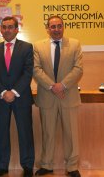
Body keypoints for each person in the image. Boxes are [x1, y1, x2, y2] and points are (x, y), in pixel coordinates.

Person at [33, 15, 83, 177]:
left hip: (68, 95)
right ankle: (47, 164)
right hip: (47, 96)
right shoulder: (38, 46)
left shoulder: (75, 44)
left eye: (59, 26)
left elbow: (78, 69)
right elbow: (36, 69)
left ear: (63, 27)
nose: (56, 29)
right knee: (48, 133)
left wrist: (62, 85)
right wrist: (52, 86)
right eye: (52, 27)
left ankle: (72, 167)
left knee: (71, 134)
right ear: (47, 29)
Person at [0, 16, 35, 177]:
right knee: (1, 133)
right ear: (0, 30)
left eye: (10, 27)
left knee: (25, 132)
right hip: (1, 98)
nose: (7, 30)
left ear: (16, 29)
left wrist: (13, 92)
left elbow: (28, 72)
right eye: (4, 27)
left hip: (21, 97)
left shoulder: (27, 47)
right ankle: (2, 166)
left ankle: (28, 165)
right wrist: (3, 92)